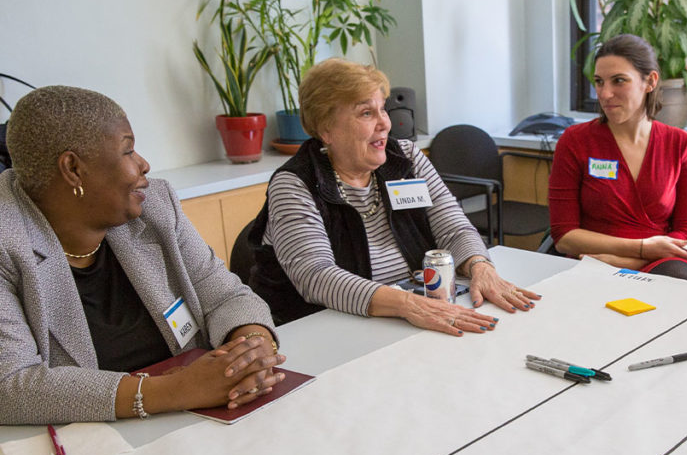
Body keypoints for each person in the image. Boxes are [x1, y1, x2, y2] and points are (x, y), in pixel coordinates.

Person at [0, 86, 286, 425]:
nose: (144, 164)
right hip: (91, 446)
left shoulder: (154, 206)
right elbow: (12, 385)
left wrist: (251, 346)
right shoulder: (9, 240)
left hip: (200, 421)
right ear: (73, 169)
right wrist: (175, 391)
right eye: (128, 150)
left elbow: (225, 294)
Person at [248, 58, 540, 334]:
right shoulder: (294, 184)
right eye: (366, 113)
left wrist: (480, 266)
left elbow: (454, 227)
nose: (385, 123)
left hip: (404, 317)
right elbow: (317, 277)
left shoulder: (406, 158)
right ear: (326, 129)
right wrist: (407, 305)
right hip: (327, 329)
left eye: (383, 109)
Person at [548, 34, 687, 281]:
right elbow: (564, 237)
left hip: (656, 264)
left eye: (619, 81)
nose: (605, 93)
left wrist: (628, 261)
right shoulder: (575, 140)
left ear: (650, 81)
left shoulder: (680, 144)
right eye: (599, 82)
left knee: (681, 280)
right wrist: (641, 247)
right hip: (591, 259)